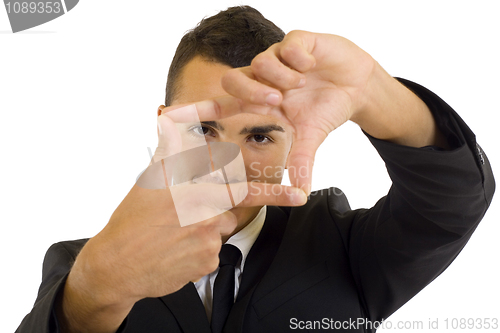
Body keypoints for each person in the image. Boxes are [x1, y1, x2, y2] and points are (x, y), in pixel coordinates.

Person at [16, 5, 495, 333]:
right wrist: (98, 286)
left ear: (292, 140)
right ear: (164, 127)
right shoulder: (80, 264)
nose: (230, 166)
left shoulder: (346, 246)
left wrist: (373, 91)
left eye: (261, 137)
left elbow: (451, 202)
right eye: (205, 129)